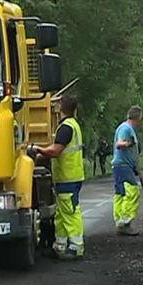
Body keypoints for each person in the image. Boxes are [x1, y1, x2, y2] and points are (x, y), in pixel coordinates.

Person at [33, 95, 85, 260]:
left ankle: (76, 247)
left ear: (61, 108)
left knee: (70, 212)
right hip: (69, 176)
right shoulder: (72, 125)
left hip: (68, 177)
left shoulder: (66, 128)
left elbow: (55, 151)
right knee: (61, 214)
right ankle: (60, 246)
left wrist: (36, 149)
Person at [111, 105, 143, 236]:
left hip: (122, 166)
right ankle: (125, 221)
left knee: (121, 194)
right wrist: (129, 143)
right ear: (138, 118)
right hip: (123, 166)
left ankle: (120, 221)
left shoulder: (125, 127)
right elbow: (120, 144)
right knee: (132, 192)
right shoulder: (126, 128)